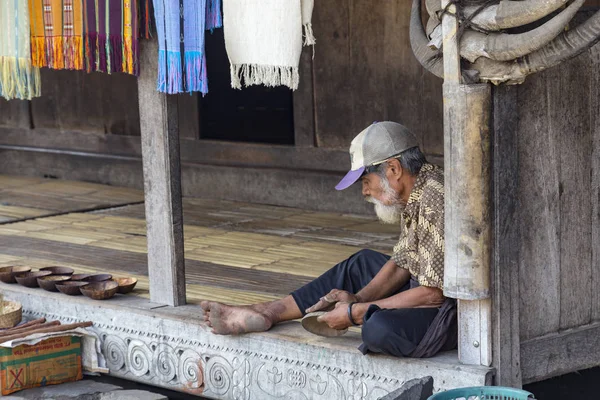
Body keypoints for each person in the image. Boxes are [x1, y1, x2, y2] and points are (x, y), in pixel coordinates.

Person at [201, 121, 457, 358]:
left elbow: (433, 295)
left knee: (377, 328)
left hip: (452, 311)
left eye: (366, 181)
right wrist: (357, 298)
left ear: (393, 169)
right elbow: (403, 261)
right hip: (425, 293)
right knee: (361, 263)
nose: (365, 191)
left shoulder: (435, 200)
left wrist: (355, 313)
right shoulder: (417, 189)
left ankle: (349, 315)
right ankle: (270, 311)